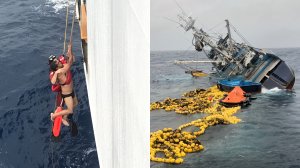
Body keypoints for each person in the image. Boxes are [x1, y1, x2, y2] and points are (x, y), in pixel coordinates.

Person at [50, 43, 78, 127]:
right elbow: (53, 82)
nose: (59, 61)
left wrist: (70, 50)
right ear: (56, 67)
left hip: (72, 91)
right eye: (57, 62)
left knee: (75, 104)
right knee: (70, 110)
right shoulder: (60, 72)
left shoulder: (64, 66)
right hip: (67, 95)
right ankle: (53, 116)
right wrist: (70, 51)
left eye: (57, 60)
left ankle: (64, 117)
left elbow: (72, 60)